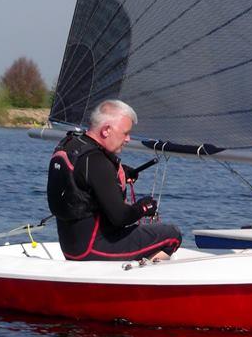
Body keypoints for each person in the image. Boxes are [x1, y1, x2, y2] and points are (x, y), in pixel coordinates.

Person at [47, 98, 182, 261]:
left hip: (71, 248)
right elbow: (120, 218)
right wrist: (144, 207)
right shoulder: (98, 163)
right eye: (125, 133)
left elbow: (83, 177)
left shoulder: (71, 144)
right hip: (95, 249)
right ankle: (136, 277)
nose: (128, 139)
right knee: (172, 235)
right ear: (106, 130)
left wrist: (121, 172)